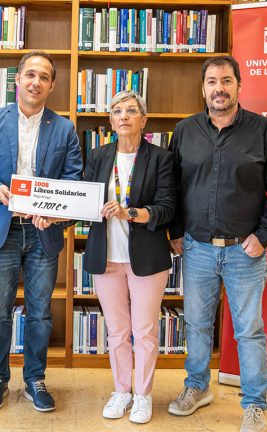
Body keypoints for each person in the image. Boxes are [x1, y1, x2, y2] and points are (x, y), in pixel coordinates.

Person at [167, 56, 267, 432]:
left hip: (245, 250)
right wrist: (174, 232)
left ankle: (255, 404)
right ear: (203, 87)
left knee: (248, 330)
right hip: (198, 247)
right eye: (211, 82)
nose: (218, 88)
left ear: (239, 85)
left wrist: (264, 235)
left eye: (226, 81)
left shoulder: (264, 131)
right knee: (198, 324)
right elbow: (171, 187)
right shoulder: (185, 131)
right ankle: (197, 387)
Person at [0, 50, 83, 412]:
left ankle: (35, 378)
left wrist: (56, 212)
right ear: (17, 80)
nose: (36, 82)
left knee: (40, 312)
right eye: (30, 75)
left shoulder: (63, 128)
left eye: (44, 77)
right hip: (2, 228)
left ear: (51, 85)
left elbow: (73, 177)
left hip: (43, 233)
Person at [82, 90, 176, 424]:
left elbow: (167, 207)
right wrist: (51, 212)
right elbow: (83, 200)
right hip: (106, 258)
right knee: (118, 332)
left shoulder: (161, 158)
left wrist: (130, 212)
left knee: (145, 330)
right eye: (117, 111)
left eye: (131, 110)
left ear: (143, 119)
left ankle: (143, 395)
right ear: (110, 121)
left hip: (146, 259)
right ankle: (122, 390)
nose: (123, 116)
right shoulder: (97, 156)